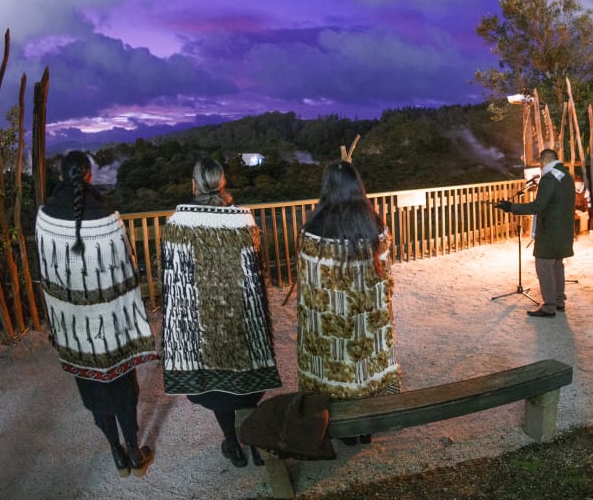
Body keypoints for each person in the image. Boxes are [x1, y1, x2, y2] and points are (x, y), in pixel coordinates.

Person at [36, 151, 157, 476]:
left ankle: (115, 453)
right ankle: (134, 451)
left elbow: (47, 272)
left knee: (92, 389)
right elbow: (129, 268)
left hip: (74, 327)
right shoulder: (108, 216)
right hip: (111, 324)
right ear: (89, 176)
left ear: (62, 177)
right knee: (122, 390)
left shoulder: (45, 217)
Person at [161, 158, 282, 468]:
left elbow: (175, 280)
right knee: (247, 388)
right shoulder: (243, 221)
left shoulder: (178, 224)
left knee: (219, 394)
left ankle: (233, 443)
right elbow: (257, 269)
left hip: (205, 325)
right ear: (223, 183)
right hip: (241, 315)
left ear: (195, 185)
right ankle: (254, 444)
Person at [297, 160, 402, 444]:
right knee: (363, 367)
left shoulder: (315, 226)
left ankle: (343, 429)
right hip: (366, 318)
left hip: (330, 321)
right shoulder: (374, 223)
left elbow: (310, 281)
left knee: (336, 369)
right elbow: (383, 277)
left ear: (327, 186)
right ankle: (365, 425)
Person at [496, 148, 576, 317]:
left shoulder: (548, 178)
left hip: (550, 231)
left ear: (543, 161)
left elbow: (538, 206)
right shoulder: (566, 175)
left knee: (544, 266)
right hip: (564, 229)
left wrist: (512, 207)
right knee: (557, 265)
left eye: (540, 164)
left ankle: (549, 306)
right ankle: (559, 300)